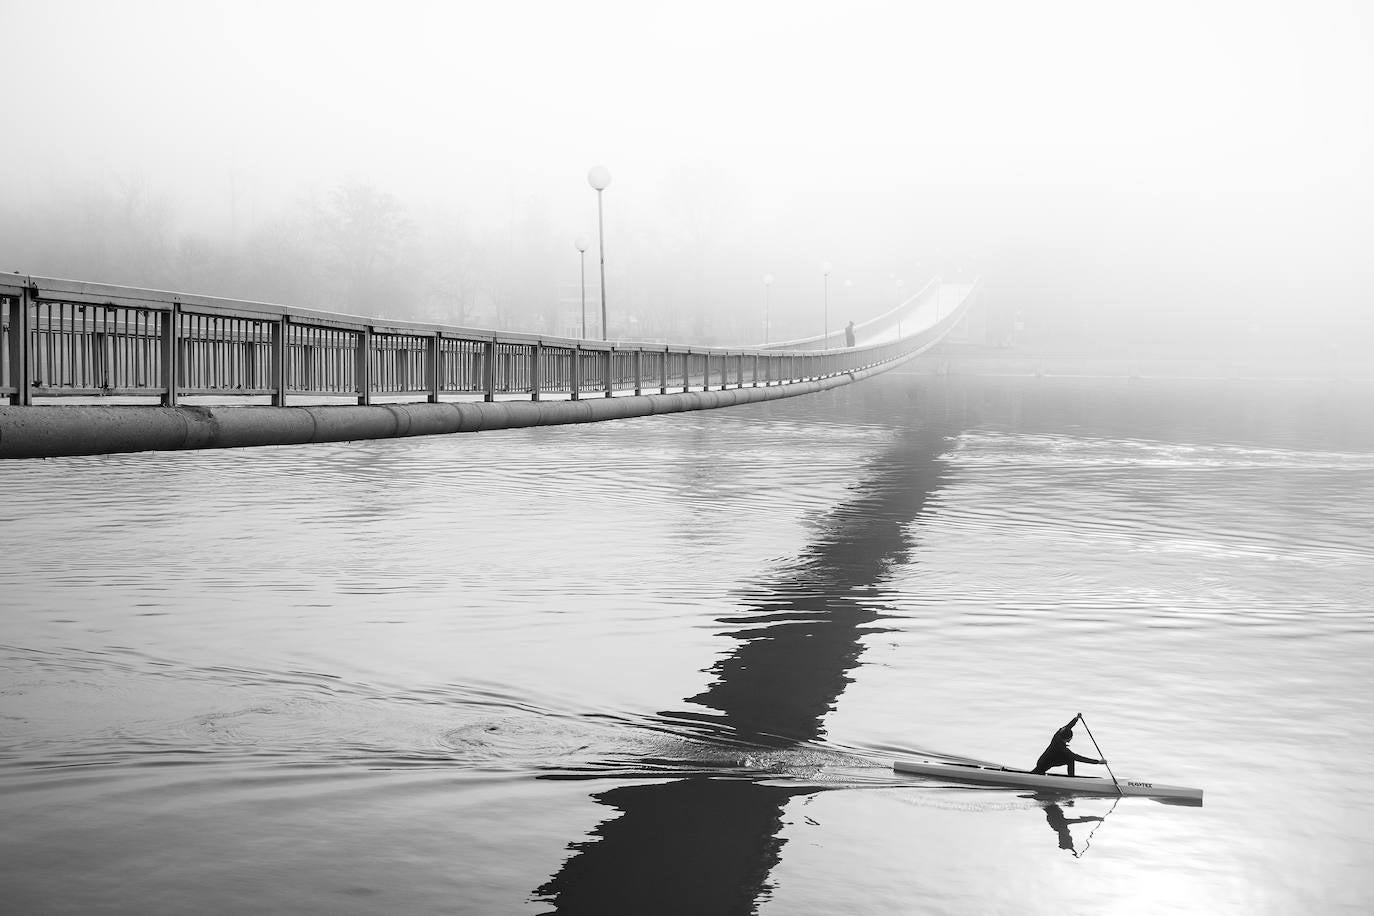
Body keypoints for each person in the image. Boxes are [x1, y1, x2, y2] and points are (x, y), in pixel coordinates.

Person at [1032, 713, 1106, 776]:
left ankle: (1071, 778)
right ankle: (1071, 781)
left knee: (1070, 759)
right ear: (1068, 739)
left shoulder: (1058, 734)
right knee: (1071, 758)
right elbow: (1078, 758)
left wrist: (1076, 718)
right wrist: (1097, 762)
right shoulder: (1061, 747)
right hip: (1043, 765)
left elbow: (1068, 726)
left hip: (1047, 761)